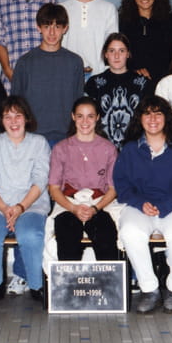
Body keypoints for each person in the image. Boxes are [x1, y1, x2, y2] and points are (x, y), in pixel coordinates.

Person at [113, 95, 172, 314]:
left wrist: (166, 205)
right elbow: (121, 184)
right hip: (140, 207)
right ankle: (149, 289)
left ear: (166, 117)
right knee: (130, 232)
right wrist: (140, 203)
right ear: (139, 119)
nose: (153, 119)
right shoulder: (130, 149)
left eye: (158, 113)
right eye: (147, 114)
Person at [0, 96, 50, 307]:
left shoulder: (39, 143)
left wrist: (20, 207)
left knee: (31, 235)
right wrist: (4, 208)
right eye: (7, 117)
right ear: (1, 120)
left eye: (18, 115)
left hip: (31, 205)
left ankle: (36, 286)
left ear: (26, 118)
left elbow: (40, 180)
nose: (13, 121)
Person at [45, 97, 120, 266]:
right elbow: (54, 188)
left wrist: (95, 209)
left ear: (97, 117)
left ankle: (106, 281)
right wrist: (73, 208)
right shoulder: (61, 148)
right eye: (80, 116)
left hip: (100, 203)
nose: (85, 122)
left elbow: (113, 188)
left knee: (105, 232)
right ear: (73, 117)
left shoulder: (108, 149)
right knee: (67, 232)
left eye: (90, 116)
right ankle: (69, 282)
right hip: (69, 203)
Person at [11, 3, 84, 145]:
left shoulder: (75, 62)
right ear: (38, 28)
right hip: (32, 137)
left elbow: (78, 102)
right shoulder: (25, 62)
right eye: (46, 26)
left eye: (57, 27)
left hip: (66, 137)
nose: (52, 33)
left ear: (65, 28)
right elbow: (16, 104)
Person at [85, 33, 151, 150]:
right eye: (112, 51)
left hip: (135, 149)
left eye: (121, 51)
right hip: (102, 148)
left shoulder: (142, 83)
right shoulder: (94, 83)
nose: (116, 56)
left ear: (128, 54)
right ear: (106, 54)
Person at [60, 0, 118, 77]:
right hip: (67, 75)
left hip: (100, 76)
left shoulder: (109, 9)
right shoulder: (61, 8)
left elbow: (113, 45)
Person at [118, 0, 172, 82]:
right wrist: (134, 70)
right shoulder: (122, 23)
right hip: (131, 81)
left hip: (163, 82)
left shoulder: (170, 22)